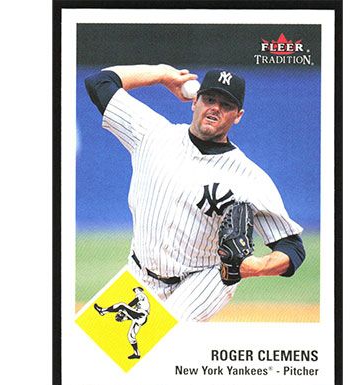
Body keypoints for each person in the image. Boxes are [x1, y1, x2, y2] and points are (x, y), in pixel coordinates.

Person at [85, 64, 306, 322]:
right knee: (96, 345)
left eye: (226, 105)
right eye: (209, 99)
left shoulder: (249, 178)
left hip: (205, 278)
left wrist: (258, 266)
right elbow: (100, 82)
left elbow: (291, 247)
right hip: (140, 272)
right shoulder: (152, 134)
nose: (215, 108)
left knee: (163, 336)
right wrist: (162, 75)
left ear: (238, 116)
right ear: (194, 102)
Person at [94, 287, 150, 359]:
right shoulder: (140, 304)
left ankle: (102, 311)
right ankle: (137, 354)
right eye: (135, 291)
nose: (135, 292)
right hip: (140, 318)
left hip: (142, 315)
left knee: (121, 305)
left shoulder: (142, 295)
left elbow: (134, 302)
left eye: (136, 290)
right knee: (131, 336)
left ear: (141, 290)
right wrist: (125, 318)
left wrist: (123, 311)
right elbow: (133, 315)